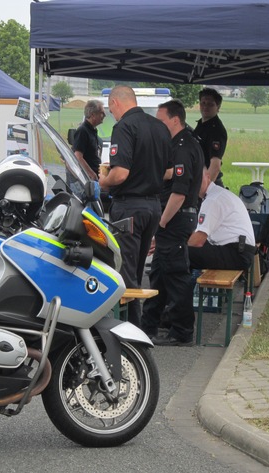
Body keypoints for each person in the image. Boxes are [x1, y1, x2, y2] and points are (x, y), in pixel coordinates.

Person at [98, 85, 172, 327]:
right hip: (153, 206)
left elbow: (119, 174)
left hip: (129, 207)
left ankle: (131, 332)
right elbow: (169, 171)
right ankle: (133, 327)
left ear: (116, 103)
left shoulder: (124, 127)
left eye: (110, 110)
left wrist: (102, 182)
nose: (112, 115)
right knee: (137, 270)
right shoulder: (160, 127)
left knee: (125, 273)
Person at [141, 100, 204, 346]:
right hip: (177, 218)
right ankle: (149, 326)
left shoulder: (182, 147)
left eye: (161, 120)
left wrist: (161, 224)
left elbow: (179, 192)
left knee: (176, 277)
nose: (159, 125)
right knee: (159, 274)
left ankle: (182, 331)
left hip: (175, 218)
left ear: (175, 120)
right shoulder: (184, 143)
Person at [188, 168, 256, 271]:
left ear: (208, 176)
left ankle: (185, 286)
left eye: (198, 179)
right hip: (239, 250)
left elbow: (198, 241)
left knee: (180, 254)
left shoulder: (212, 199)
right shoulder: (217, 194)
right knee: (185, 250)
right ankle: (195, 283)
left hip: (238, 253)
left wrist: (176, 247)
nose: (195, 183)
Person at [194, 88, 227, 186]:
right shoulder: (201, 124)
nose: (205, 107)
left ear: (218, 107)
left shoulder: (216, 131)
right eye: (203, 103)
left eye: (210, 104)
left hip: (209, 183)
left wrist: (204, 189)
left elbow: (215, 166)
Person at [72, 99, 105, 175]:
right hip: (88, 180)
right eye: (102, 113)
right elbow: (78, 156)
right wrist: (91, 174)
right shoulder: (82, 131)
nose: (104, 116)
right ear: (93, 115)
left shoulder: (92, 130)